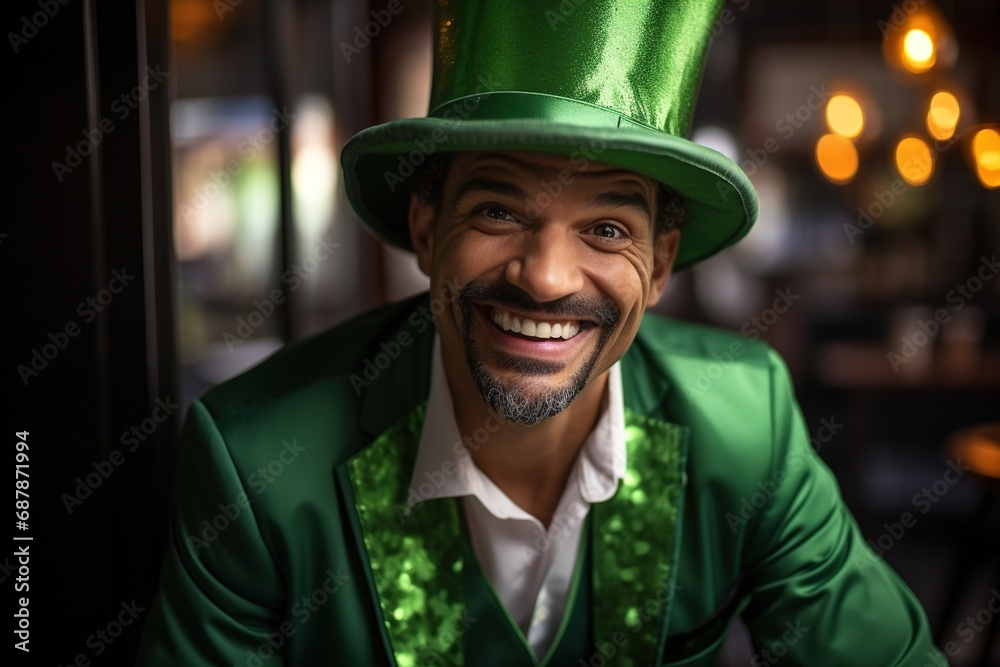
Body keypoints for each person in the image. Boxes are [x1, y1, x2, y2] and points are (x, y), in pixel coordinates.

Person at [138, 1, 946, 665]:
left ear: (661, 265)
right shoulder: (257, 463)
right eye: (497, 210)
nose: (548, 275)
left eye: (606, 229)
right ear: (426, 228)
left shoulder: (747, 425)